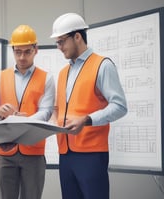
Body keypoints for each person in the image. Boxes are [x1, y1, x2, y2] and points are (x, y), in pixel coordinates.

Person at [49, 13, 128, 199]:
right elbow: (60, 108)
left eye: (61, 41)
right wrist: (53, 120)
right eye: (57, 43)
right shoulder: (63, 73)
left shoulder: (102, 65)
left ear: (77, 36)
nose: (59, 47)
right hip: (66, 154)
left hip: (91, 155)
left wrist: (87, 119)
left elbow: (120, 106)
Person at [0, 24, 55, 199]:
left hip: (34, 152)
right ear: (12, 50)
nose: (22, 57)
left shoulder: (47, 78)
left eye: (27, 52)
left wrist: (25, 122)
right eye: (18, 52)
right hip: (5, 152)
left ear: (36, 50)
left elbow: (46, 111)